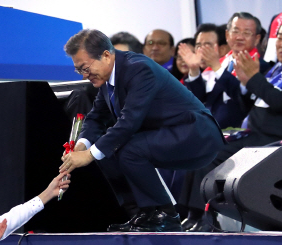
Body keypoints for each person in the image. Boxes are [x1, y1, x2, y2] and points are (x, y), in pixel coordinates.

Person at [60, 29, 225, 232]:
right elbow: (96, 117)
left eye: (85, 68)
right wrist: (81, 144)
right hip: (168, 134)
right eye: (79, 71)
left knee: (127, 149)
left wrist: (88, 155)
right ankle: (145, 213)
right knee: (110, 152)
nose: (85, 76)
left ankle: (167, 214)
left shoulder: (138, 69)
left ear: (105, 55)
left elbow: (129, 122)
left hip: (195, 135)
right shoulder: (108, 76)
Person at [179, 24, 282, 232]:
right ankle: (193, 214)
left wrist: (253, 79)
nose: (281, 43)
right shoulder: (275, 70)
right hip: (251, 133)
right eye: (279, 37)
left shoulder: (261, 67)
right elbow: (247, 106)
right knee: (201, 149)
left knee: (211, 153)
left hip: (270, 138)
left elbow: (278, 101)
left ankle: (207, 219)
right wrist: (247, 83)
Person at [179, 21, 255, 129]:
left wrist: (216, 66)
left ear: (222, 48)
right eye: (198, 46)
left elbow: (241, 97)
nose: (201, 51)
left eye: (207, 46)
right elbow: (198, 101)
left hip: (235, 133)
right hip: (207, 132)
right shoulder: (205, 73)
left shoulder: (243, 65)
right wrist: (194, 69)